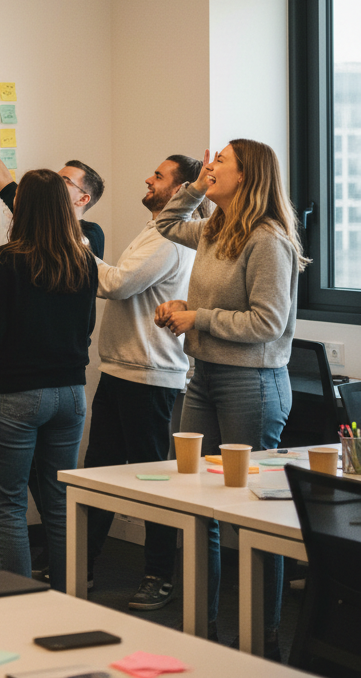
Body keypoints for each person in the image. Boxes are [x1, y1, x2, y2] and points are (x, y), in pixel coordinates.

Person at [155, 140, 307, 661]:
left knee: (251, 515)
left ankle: (262, 638)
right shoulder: (217, 229)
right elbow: (167, 224)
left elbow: (267, 323)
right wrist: (194, 186)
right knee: (198, 504)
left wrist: (197, 317)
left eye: (220, 161)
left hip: (252, 383)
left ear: (248, 177)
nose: (210, 166)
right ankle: (203, 629)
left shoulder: (268, 240)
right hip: (204, 376)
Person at [85, 154, 208, 611]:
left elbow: (117, 285)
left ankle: (159, 574)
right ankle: (84, 563)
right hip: (121, 370)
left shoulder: (169, 240)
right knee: (98, 474)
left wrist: (75, 245)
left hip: (150, 376)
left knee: (153, 479)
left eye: (158, 175)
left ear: (179, 191)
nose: (147, 178)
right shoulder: (153, 228)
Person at [0, 169, 97, 591]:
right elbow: (85, 327)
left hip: (18, 395)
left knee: (8, 505)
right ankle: (65, 597)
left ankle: (17, 601)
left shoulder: (8, 258)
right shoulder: (84, 259)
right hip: (71, 394)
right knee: (58, 505)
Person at [0, 96, 104, 255]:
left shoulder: (92, 234)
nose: (53, 182)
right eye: (56, 176)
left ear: (83, 199)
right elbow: (1, 177)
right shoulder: (33, 210)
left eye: (65, 181)